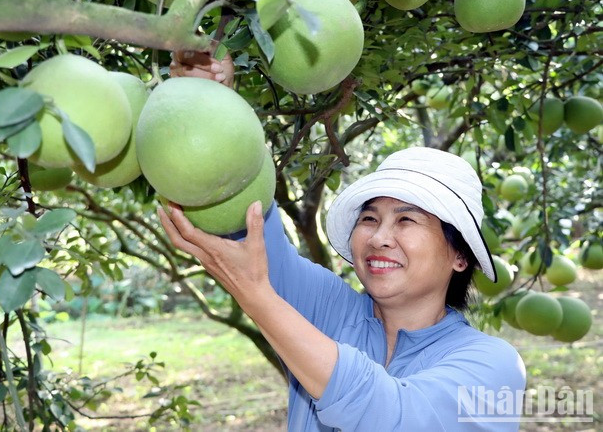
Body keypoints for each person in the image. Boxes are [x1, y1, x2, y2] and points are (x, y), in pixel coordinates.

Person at [159, 52, 526, 431]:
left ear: (460, 256)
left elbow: (390, 415)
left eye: (406, 220)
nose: (380, 238)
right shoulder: (332, 311)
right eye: (369, 219)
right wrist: (215, 105)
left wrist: (256, 296)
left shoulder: (493, 365)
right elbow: (246, 221)